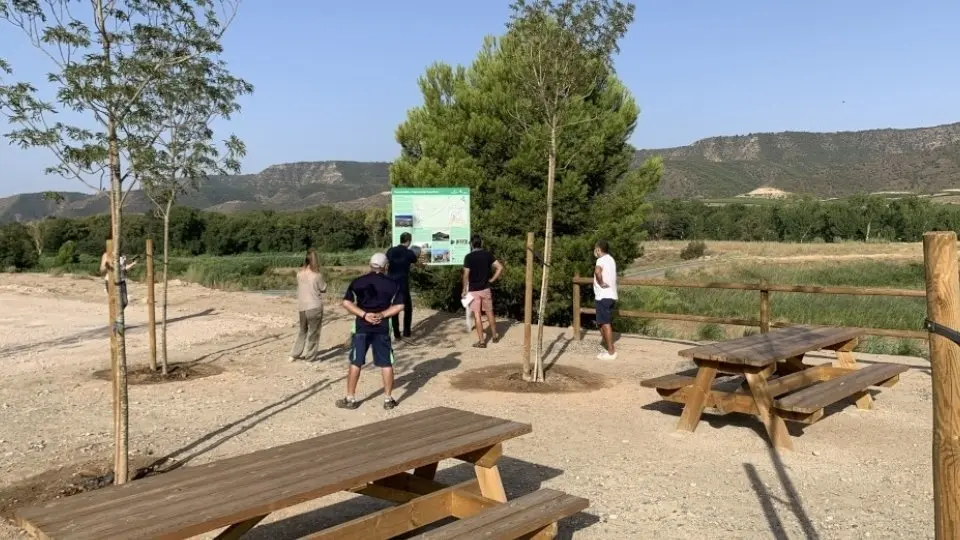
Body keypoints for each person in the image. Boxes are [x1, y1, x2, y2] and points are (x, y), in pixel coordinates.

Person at [337, 253, 406, 410]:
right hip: (382, 327)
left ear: (370, 264)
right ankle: (388, 400)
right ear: (385, 266)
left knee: (356, 361)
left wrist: (364, 314)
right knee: (386, 363)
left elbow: (347, 302)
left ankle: (350, 398)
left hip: (361, 326)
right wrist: (382, 315)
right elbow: (399, 306)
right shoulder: (393, 284)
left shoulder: (358, 282)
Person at [462, 235, 504, 348]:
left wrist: (463, 290)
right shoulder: (488, 255)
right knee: (490, 312)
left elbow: (466, 275)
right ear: (482, 243)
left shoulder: (468, 257)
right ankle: (495, 336)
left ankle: (481, 342)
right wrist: (492, 280)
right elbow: (500, 267)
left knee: (477, 315)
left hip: (473, 290)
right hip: (486, 288)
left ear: (471, 244)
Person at [290, 249, 327, 362]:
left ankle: (295, 354)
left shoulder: (299, 274)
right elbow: (323, 288)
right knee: (314, 332)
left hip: (302, 306)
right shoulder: (317, 276)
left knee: (302, 331)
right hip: (314, 306)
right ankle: (310, 356)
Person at [386, 232, 420, 339]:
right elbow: (415, 259)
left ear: (401, 240)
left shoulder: (391, 250)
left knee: (395, 308)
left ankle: (396, 334)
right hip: (403, 284)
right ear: (408, 241)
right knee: (408, 308)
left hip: (391, 284)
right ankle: (406, 332)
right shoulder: (409, 253)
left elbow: (385, 262)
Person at [593, 240, 619, 360]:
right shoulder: (611, 259)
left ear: (599, 249)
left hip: (603, 296)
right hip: (611, 295)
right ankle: (607, 346)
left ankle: (611, 352)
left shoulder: (600, 260)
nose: (595, 252)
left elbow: (597, 271)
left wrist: (601, 282)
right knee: (601, 323)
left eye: (596, 249)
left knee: (605, 323)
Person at [100, 239, 137, 310]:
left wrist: (133, 264)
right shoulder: (106, 255)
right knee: (114, 301)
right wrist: (106, 265)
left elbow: (124, 269)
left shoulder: (123, 255)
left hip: (122, 280)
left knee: (124, 302)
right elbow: (101, 270)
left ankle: (118, 317)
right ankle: (116, 319)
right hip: (110, 281)